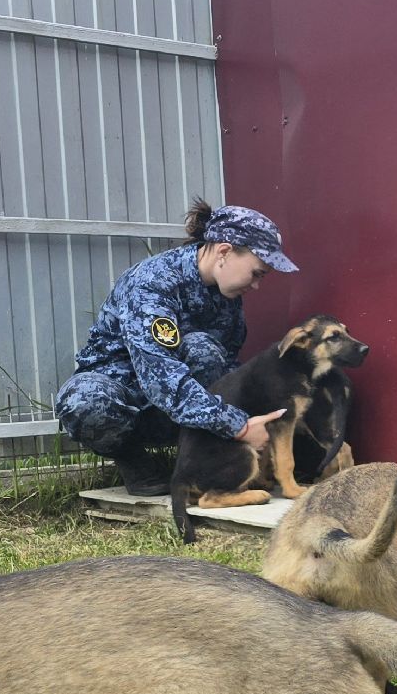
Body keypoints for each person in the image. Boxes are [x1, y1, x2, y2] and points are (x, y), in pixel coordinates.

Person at [54, 199, 298, 496]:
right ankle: (135, 461)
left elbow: (228, 371)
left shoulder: (226, 295)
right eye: (256, 273)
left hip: (174, 410)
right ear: (224, 251)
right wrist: (240, 427)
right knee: (83, 401)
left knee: (203, 350)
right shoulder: (152, 282)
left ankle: (196, 461)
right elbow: (161, 377)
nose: (256, 285)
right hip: (126, 401)